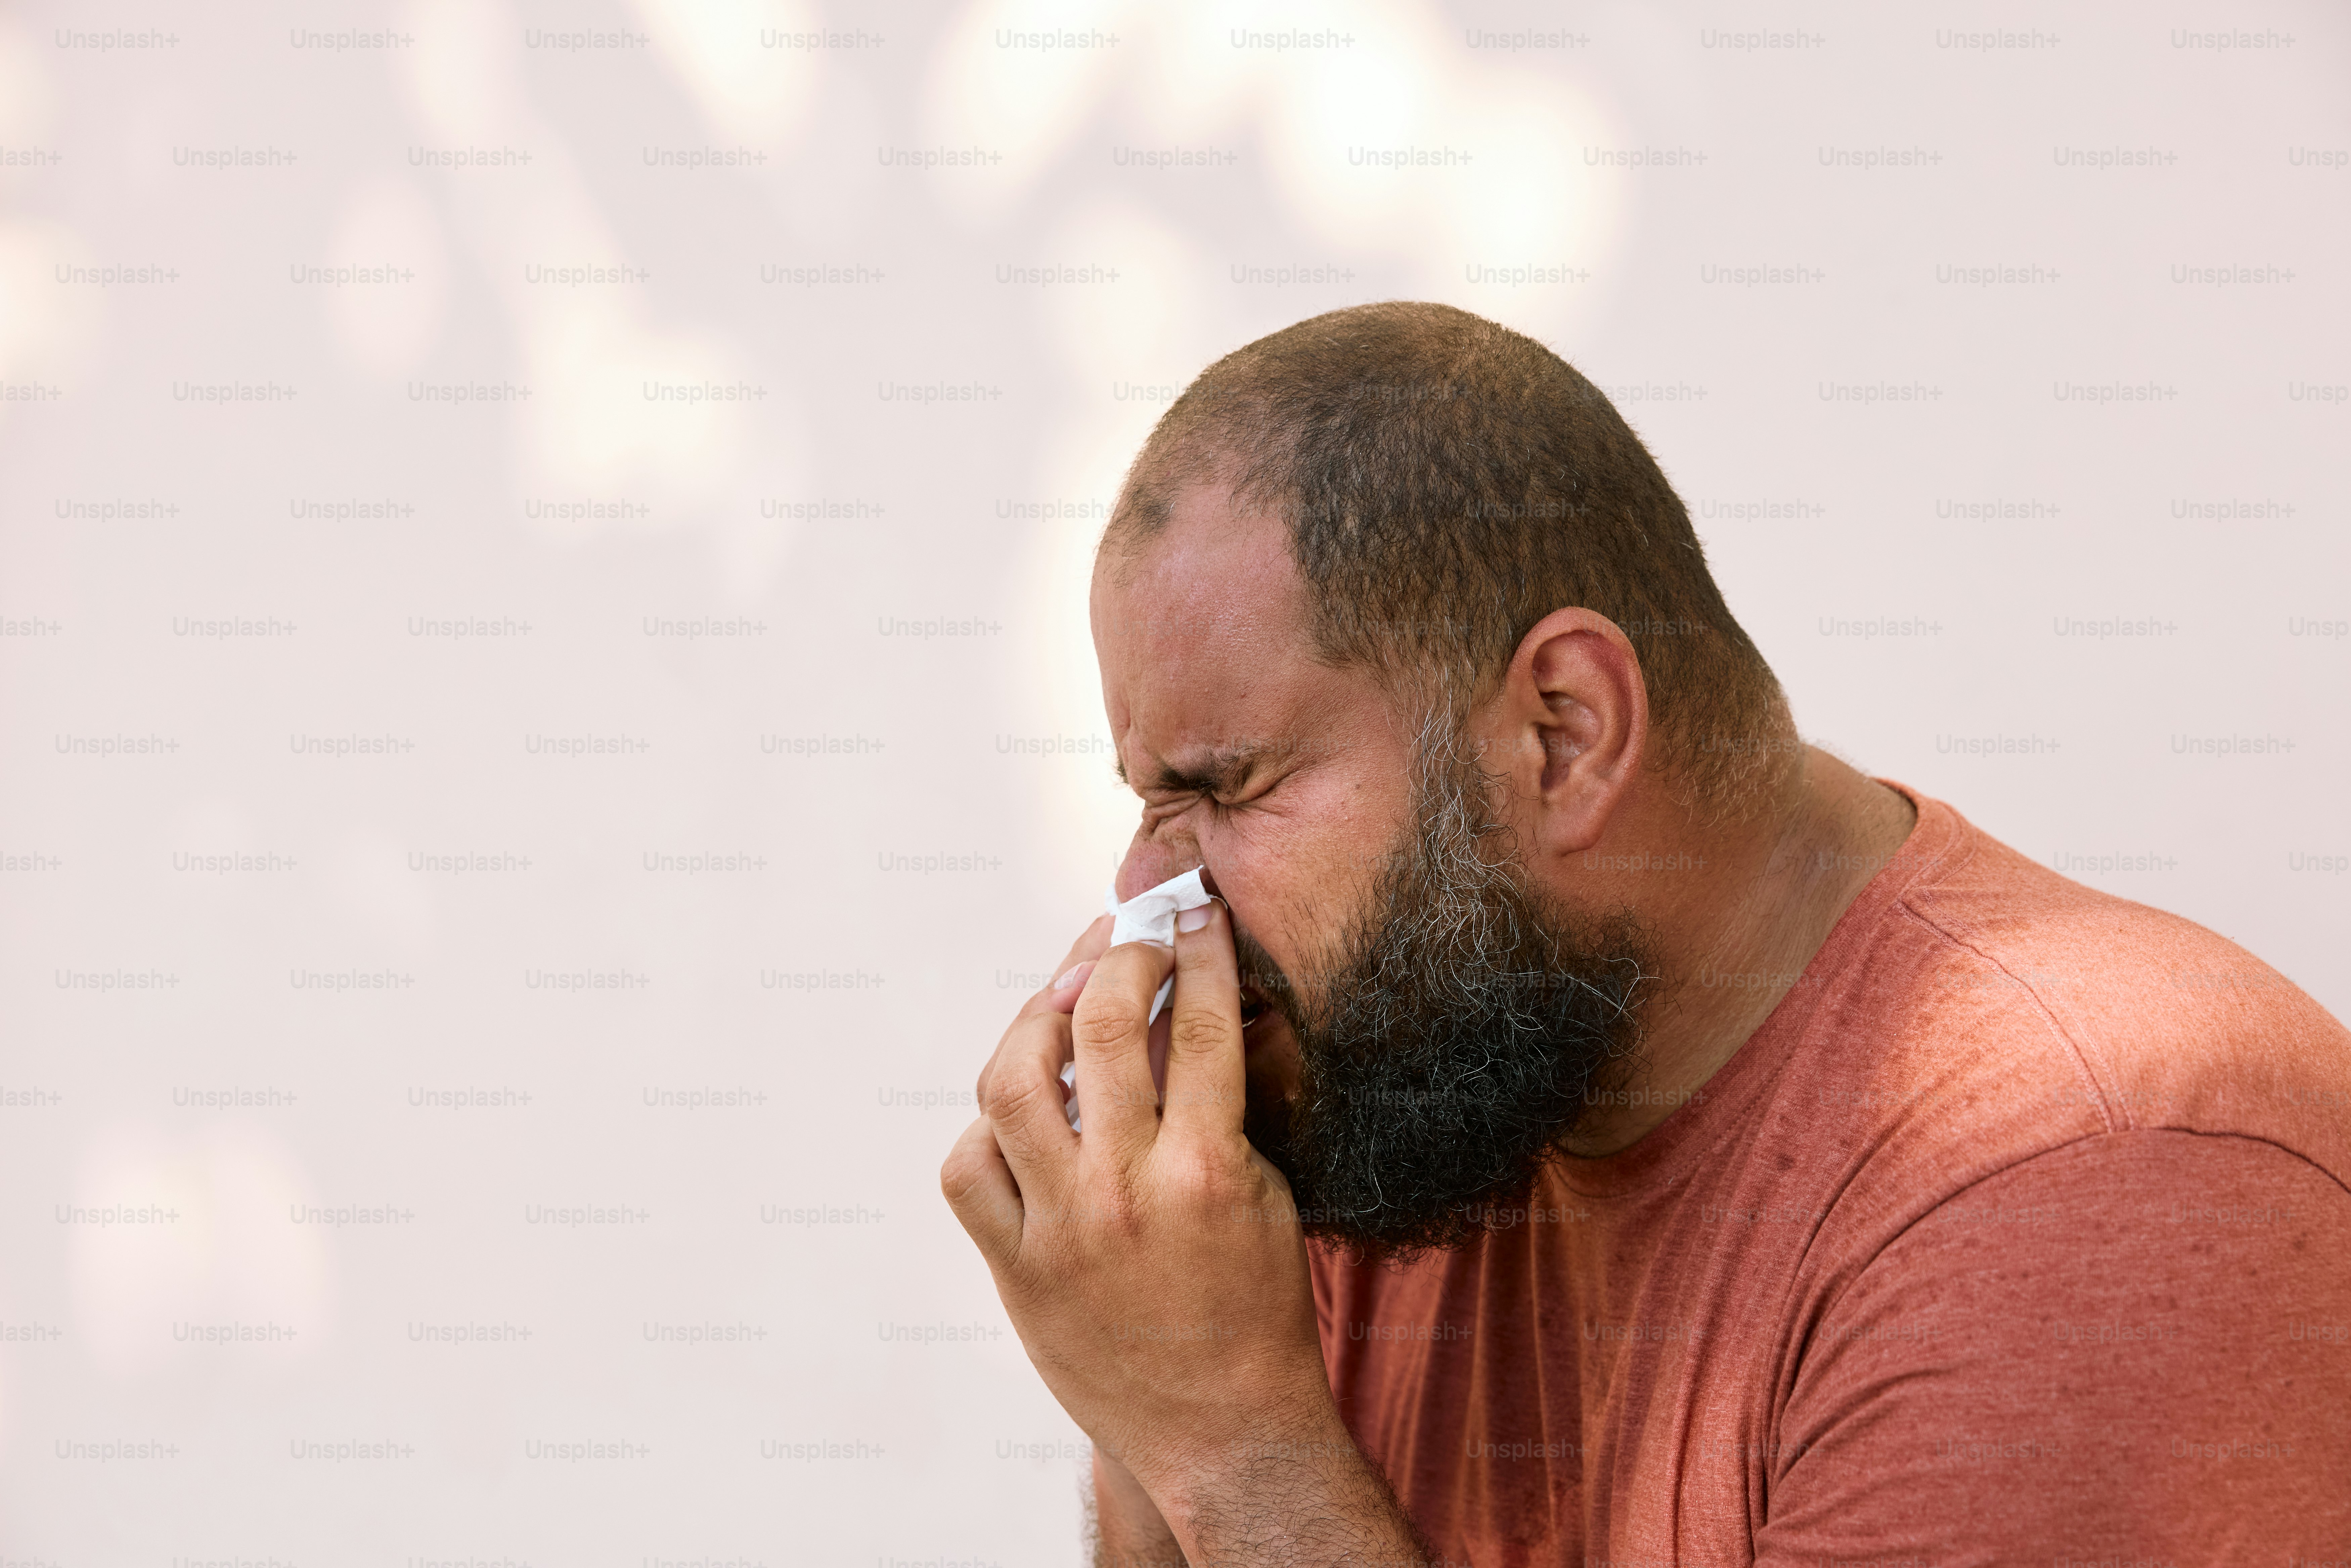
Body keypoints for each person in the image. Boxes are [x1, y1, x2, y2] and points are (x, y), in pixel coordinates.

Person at [941, 302, 2351, 1566]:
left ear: (1562, 733)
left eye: (1221, 787)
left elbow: (1241, 1474)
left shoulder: (2084, 1177)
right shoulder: (1414, 1083)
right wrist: (1144, 1388)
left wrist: (1233, 1447)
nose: (1149, 895)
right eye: (1146, 803)